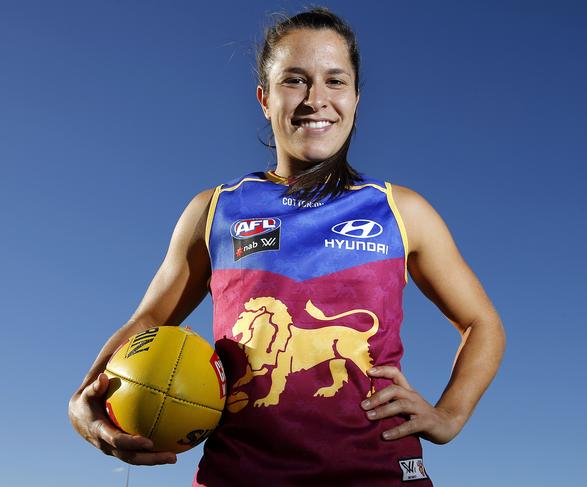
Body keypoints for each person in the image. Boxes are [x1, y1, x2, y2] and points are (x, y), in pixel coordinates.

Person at [68, 7, 505, 486]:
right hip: (239, 475)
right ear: (264, 97)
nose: (316, 100)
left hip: (377, 472)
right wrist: (85, 397)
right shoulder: (214, 210)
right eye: (295, 80)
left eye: (335, 81)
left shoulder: (402, 211)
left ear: (357, 97)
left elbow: (482, 323)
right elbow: (149, 321)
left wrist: (450, 415)